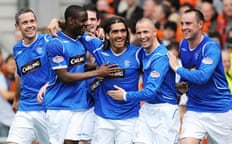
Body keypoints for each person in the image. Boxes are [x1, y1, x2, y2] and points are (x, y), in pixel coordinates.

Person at [41, 5, 119, 144]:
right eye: (83, 20)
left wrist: (96, 66)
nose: (86, 24)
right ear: (71, 21)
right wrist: (98, 72)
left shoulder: (79, 40)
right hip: (59, 105)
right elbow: (65, 76)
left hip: (78, 104)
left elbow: (78, 66)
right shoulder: (56, 43)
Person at [168, 8, 232, 144]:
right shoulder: (183, 44)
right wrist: (181, 87)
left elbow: (202, 76)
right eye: (182, 24)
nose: (184, 27)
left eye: (188, 23)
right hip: (195, 108)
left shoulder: (211, 47)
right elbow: (188, 73)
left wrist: (177, 68)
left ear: (200, 24)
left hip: (219, 110)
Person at [107, 18, 179, 144]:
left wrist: (125, 96)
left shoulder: (160, 57)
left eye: (146, 32)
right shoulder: (142, 52)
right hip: (148, 109)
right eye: (139, 33)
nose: (142, 36)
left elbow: (150, 92)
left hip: (165, 110)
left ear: (155, 32)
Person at [80, 16, 142, 144]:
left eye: (123, 31)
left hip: (129, 119)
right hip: (103, 118)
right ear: (107, 35)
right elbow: (73, 32)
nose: (120, 35)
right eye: (115, 31)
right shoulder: (98, 48)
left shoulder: (138, 53)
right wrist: (56, 22)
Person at [7, 8, 52, 144]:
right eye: (25, 22)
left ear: (36, 22)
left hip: (47, 108)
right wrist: (16, 98)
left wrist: (49, 84)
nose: (30, 25)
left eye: (32, 21)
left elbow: (64, 69)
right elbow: (20, 75)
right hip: (25, 109)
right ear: (17, 26)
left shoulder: (49, 41)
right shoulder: (17, 49)